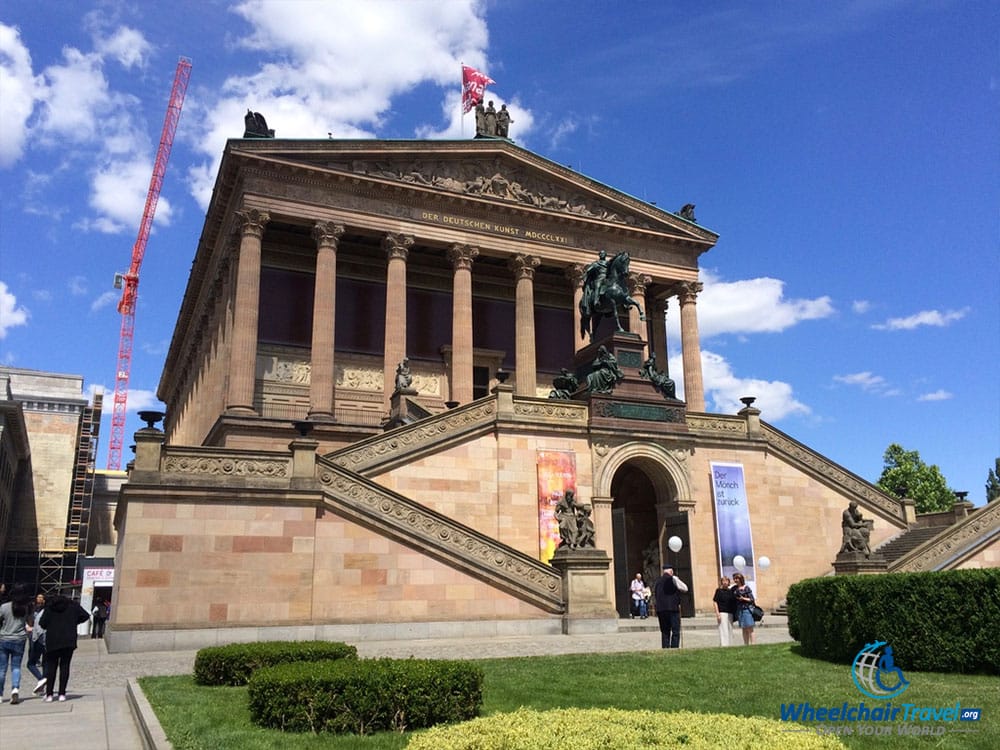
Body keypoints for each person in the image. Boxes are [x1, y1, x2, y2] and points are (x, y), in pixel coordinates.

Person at [38, 592, 90, 702]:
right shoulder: (73, 606)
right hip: (68, 639)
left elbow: (42, 623)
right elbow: (85, 615)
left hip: (53, 640)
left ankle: (49, 694)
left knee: (51, 667)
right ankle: (62, 693)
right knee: (65, 666)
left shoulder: (50, 608)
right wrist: (74, 622)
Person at [0, 583, 33, 704]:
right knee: (16, 667)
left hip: (4, 638)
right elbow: (30, 623)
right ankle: (15, 688)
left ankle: (0, 694)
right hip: (19, 639)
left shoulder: (4, 607)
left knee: (2, 668)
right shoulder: (27, 607)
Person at [653, 564, 688, 648]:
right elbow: (685, 588)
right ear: (671, 571)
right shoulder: (673, 579)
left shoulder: (657, 581)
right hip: (672, 608)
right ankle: (674, 648)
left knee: (665, 631)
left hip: (661, 610)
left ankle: (665, 648)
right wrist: (676, 578)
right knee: (675, 631)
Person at [26, 593, 46, 694]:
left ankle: (42, 679)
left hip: (41, 635)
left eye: (41, 597)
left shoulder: (45, 608)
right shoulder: (32, 607)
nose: (39, 599)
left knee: (31, 663)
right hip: (32, 632)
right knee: (32, 648)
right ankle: (35, 659)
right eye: (38, 597)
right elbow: (28, 617)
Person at [732, 573, 757, 645]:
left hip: (747, 609)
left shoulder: (746, 588)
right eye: (735, 579)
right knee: (743, 628)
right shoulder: (735, 589)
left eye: (737, 578)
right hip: (740, 610)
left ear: (741, 579)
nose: (736, 580)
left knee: (749, 628)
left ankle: (753, 644)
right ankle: (746, 644)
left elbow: (751, 599)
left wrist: (743, 598)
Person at [712, 576, 737, 647]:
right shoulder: (718, 591)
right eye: (723, 581)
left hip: (730, 612)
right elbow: (715, 602)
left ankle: (730, 644)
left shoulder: (731, 591)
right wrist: (717, 613)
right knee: (723, 629)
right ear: (721, 582)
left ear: (729, 582)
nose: (725, 582)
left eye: (726, 581)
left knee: (730, 629)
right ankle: (724, 645)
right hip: (722, 612)